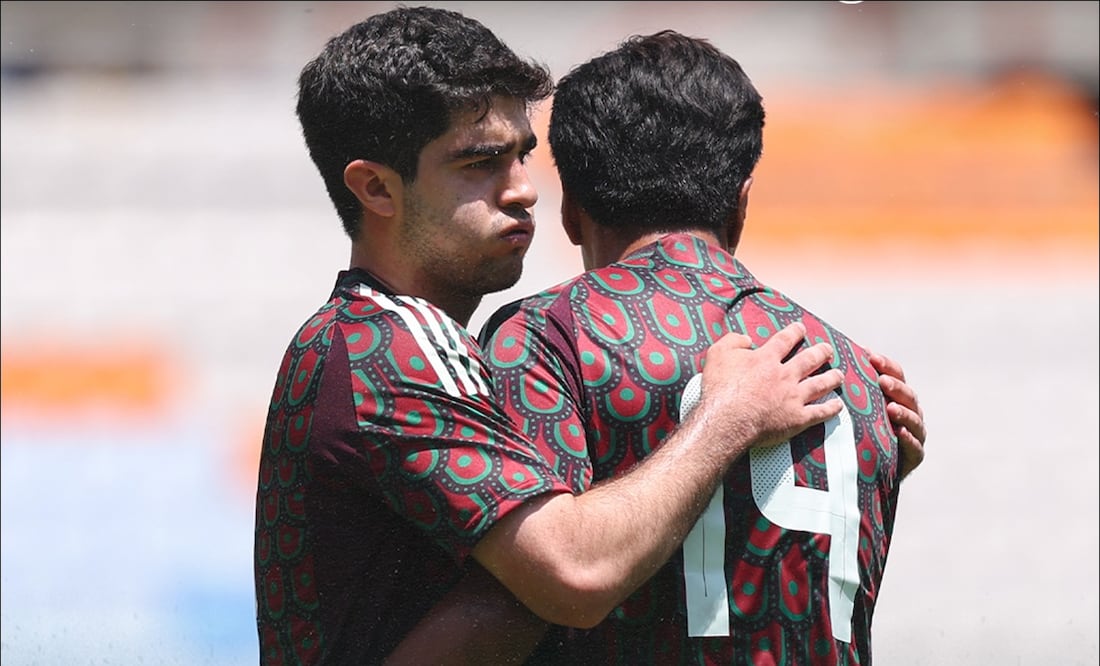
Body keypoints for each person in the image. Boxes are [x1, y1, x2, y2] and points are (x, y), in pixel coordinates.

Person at [253, 8, 859, 664]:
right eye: (480, 162)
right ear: (376, 188)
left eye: (521, 155)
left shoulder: (371, 338)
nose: (523, 190)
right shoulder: (388, 346)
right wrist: (728, 418)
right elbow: (574, 574)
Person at [386, 30, 928, 665]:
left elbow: (536, 587)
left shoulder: (550, 335)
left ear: (571, 212)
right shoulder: (858, 375)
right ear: (741, 203)